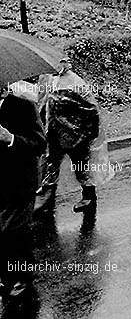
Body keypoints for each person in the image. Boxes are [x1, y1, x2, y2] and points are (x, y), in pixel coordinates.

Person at [34, 58, 101, 215]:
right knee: (50, 164)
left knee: (81, 167)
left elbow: (91, 108)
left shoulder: (75, 82)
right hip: (54, 133)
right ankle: (47, 199)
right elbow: (41, 102)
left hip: (76, 135)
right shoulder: (47, 78)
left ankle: (89, 197)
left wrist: (90, 133)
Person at [0, 85, 46, 314]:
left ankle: (22, 277)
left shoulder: (24, 105)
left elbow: (40, 143)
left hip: (21, 183)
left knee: (13, 231)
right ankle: (6, 274)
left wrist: (11, 139)